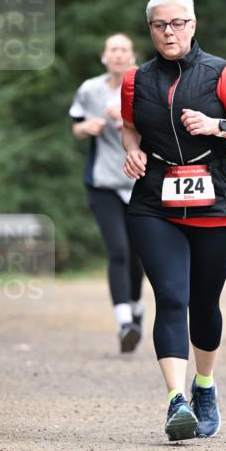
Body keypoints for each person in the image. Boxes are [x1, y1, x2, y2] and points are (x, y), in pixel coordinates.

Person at [121, 0, 226, 441]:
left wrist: (216, 125)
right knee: (170, 296)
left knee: (204, 303)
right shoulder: (135, 80)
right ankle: (175, 401)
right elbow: (129, 126)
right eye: (160, 25)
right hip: (154, 203)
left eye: (177, 23)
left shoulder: (222, 74)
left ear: (192, 25)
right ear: (150, 29)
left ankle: (204, 386)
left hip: (214, 202)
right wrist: (132, 151)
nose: (169, 32)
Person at [69, 33, 145, 353]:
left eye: (123, 49)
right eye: (112, 49)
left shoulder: (145, 86)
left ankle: (137, 308)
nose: (118, 55)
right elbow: (76, 126)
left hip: (141, 181)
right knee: (118, 250)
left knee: (138, 254)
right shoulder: (90, 89)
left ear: (133, 56)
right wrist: (86, 128)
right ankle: (125, 323)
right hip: (103, 183)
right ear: (104, 56)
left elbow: (161, 128)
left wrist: (129, 117)